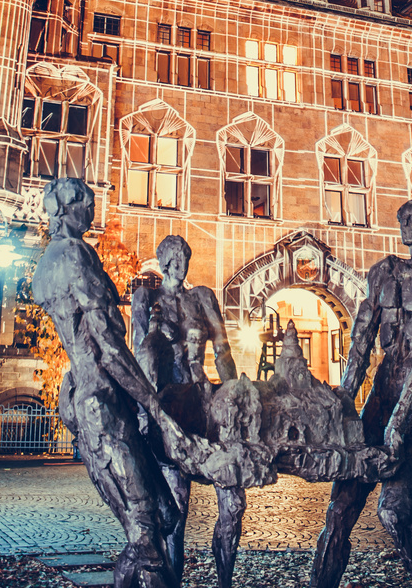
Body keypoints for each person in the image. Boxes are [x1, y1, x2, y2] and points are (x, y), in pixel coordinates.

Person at [33, 180, 198, 588]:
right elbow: (109, 348)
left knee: (166, 515)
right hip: (101, 400)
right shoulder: (74, 258)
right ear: (68, 208)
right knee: (147, 536)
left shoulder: (54, 258)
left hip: (89, 393)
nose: (91, 209)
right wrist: (154, 407)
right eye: (86, 203)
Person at [310, 199, 412, 588]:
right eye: (402, 217)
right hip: (379, 404)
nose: (405, 223)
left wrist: (399, 420)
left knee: (394, 511)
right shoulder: (383, 272)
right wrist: (344, 402)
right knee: (340, 510)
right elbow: (361, 339)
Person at [132, 234, 245, 588]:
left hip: (203, 400)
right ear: (163, 262)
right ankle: (171, 581)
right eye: (174, 258)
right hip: (168, 408)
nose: (180, 264)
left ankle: (225, 579)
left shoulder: (202, 298)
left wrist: (234, 394)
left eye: (185, 257)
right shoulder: (146, 299)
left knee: (233, 501)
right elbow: (141, 357)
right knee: (175, 510)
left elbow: (223, 352)